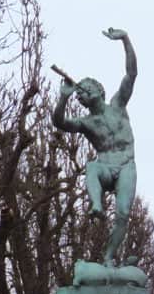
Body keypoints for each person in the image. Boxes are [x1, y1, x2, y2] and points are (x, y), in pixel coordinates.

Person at [52, 28, 137, 267]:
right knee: (91, 167)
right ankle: (96, 205)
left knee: (122, 214)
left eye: (84, 90)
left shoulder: (118, 105)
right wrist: (63, 98)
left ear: (99, 90)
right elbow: (59, 122)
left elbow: (131, 74)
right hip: (105, 166)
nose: (81, 95)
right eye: (79, 95)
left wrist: (125, 40)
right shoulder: (87, 123)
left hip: (126, 165)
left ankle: (109, 256)